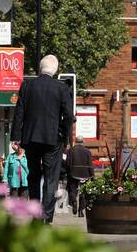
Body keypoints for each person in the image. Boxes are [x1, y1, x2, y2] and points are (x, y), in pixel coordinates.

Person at [11, 54, 74, 223]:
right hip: (52, 139)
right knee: (51, 178)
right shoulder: (62, 88)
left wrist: (15, 137)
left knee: (33, 176)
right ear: (55, 70)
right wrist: (63, 134)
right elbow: (69, 116)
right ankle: (45, 216)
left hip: (30, 138)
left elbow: (19, 113)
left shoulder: (27, 86)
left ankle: (34, 214)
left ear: (40, 68)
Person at [67, 136, 94, 216]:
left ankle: (74, 200)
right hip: (85, 174)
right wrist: (92, 175)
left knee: (72, 190)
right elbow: (90, 164)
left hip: (74, 173)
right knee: (83, 192)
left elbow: (68, 163)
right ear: (83, 141)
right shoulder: (88, 151)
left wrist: (69, 172)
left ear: (75, 141)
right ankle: (80, 211)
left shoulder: (71, 150)